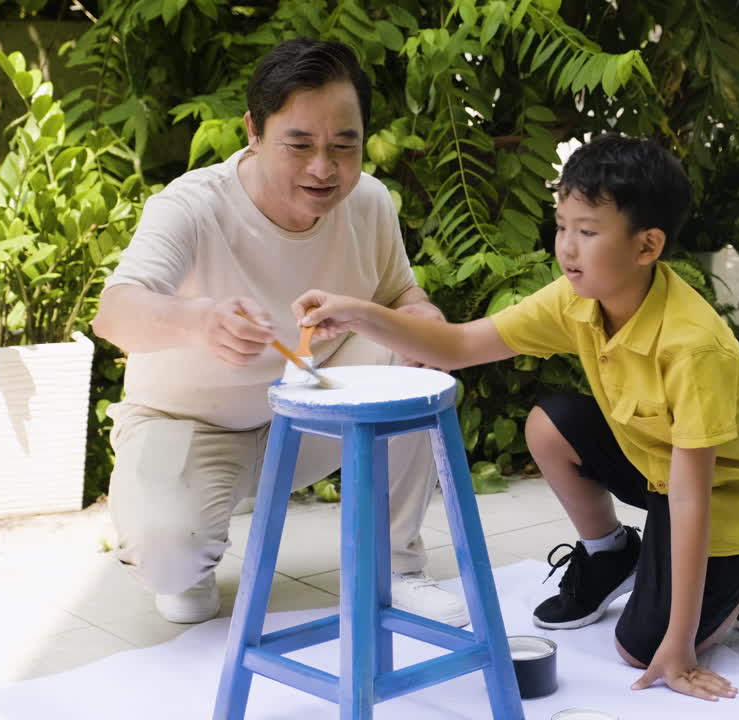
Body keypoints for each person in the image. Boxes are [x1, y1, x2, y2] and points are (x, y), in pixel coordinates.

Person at [290, 134, 739, 701]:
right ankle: (612, 553)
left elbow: (693, 499)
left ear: (647, 246)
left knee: (641, 650)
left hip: (731, 492)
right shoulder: (579, 297)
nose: (566, 247)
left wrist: (680, 643)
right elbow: (457, 345)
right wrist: (356, 314)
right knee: (550, 424)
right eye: (562, 224)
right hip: (659, 466)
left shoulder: (692, 348)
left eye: (587, 232)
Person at [91, 38, 468, 627]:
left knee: (411, 349)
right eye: (300, 145)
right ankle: (186, 556)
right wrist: (199, 321)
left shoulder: (368, 202)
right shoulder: (191, 205)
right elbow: (114, 313)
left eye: (345, 145)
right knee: (172, 567)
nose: (325, 168)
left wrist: (427, 326)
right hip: (191, 423)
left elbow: (403, 297)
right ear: (254, 131)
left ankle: (395, 567)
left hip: (311, 409)